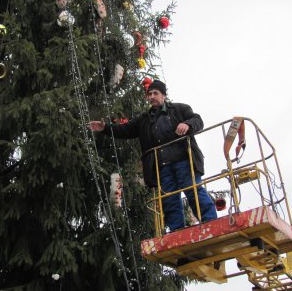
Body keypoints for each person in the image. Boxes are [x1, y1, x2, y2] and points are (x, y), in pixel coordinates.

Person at [89, 80, 217, 231]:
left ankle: (210, 222)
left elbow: (197, 120)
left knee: (193, 190)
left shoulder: (179, 109)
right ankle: (177, 230)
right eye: (149, 94)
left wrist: (188, 124)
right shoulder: (144, 120)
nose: (152, 96)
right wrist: (105, 128)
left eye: (155, 93)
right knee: (168, 199)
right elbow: (125, 130)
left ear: (163, 95)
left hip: (184, 160)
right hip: (161, 166)